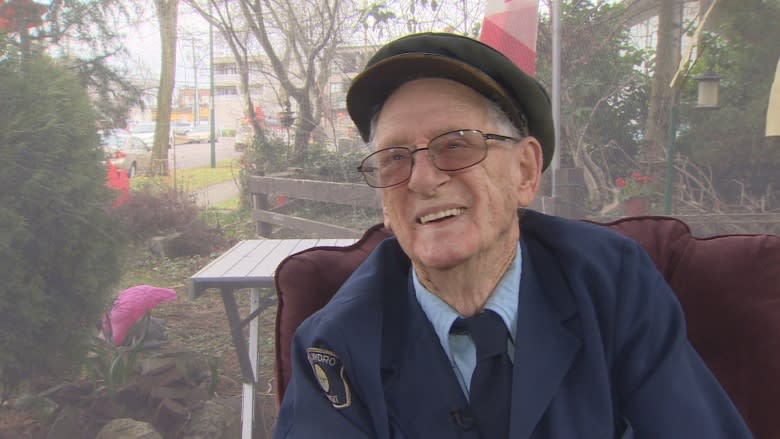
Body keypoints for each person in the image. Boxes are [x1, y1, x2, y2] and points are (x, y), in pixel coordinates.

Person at [273, 32, 752, 438]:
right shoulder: (336, 344)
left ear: (525, 171)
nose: (421, 179)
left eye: (455, 145)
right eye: (395, 158)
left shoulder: (613, 284)